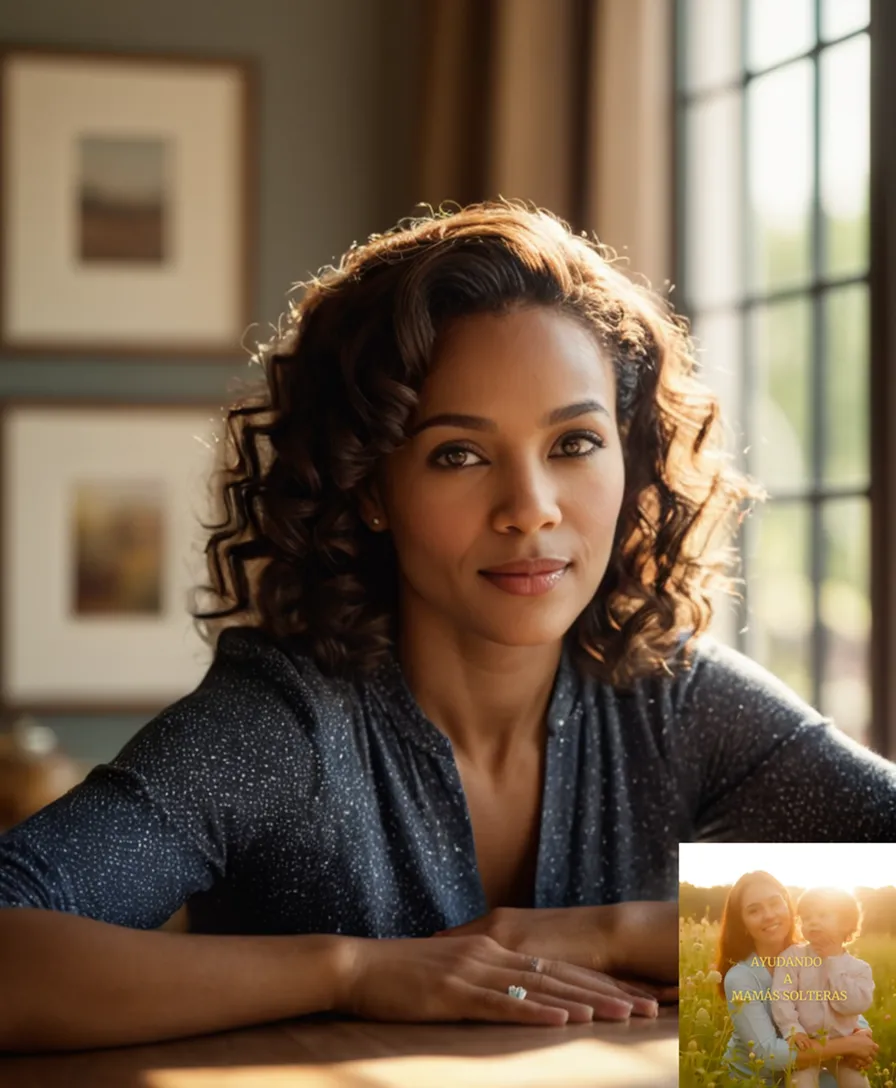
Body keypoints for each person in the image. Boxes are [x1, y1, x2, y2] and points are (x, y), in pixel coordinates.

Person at [1, 200, 896, 1053]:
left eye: (574, 443)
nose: (530, 509)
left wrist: (611, 933)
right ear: (372, 487)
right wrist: (352, 971)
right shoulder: (284, 726)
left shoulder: (676, 699)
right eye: (458, 454)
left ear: (630, 453)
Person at [717, 872, 878, 1086]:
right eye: (754, 910)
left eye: (775, 903)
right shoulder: (741, 978)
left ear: (788, 907)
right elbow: (768, 1053)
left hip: (809, 1064)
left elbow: (837, 1002)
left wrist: (861, 1032)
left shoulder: (814, 954)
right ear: (743, 924)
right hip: (757, 1079)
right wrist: (849, 1045)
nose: (769, 915)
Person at [770, 887, 874, 1088]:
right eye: (807, 918)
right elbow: (781, 997)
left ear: (846, 923)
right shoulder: (792, 958)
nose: (813, 922)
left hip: (844, 1049)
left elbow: (853, 1006)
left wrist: (833, 962)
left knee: (858, 1084)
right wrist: (793, 1030)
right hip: (807, 1045)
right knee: (801, 1084)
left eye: (823, 915)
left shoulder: (859, 969)